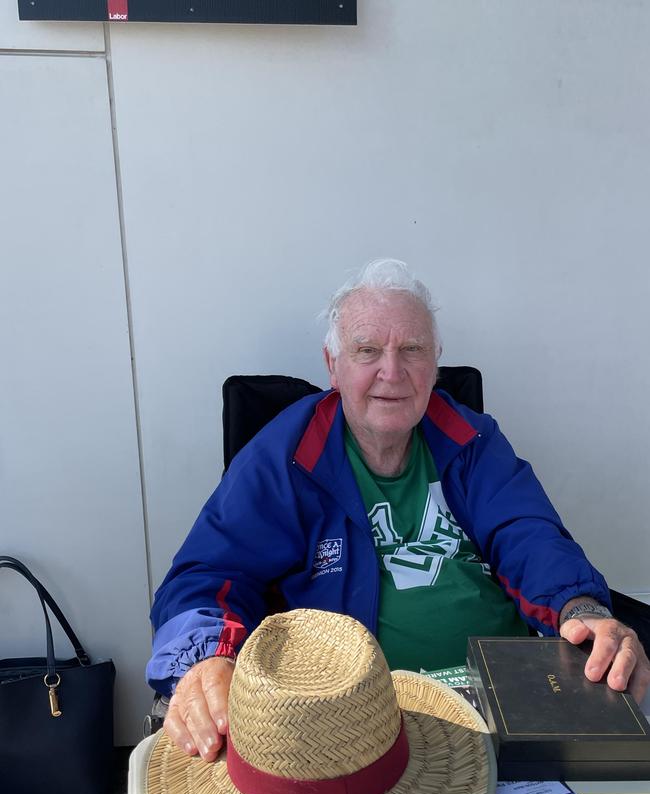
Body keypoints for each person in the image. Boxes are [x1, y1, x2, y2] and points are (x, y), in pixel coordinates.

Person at [147, 258, 650, 762]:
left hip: (511, 698)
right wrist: (206, 659)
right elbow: (207, 574)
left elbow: (529, 533)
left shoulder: (471, 438)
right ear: (333, 365)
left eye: (412, 349)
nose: (393, 371)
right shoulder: (285, 457)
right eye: (368, 351)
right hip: (365, 723)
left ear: (435, 362)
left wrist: (580, 609)